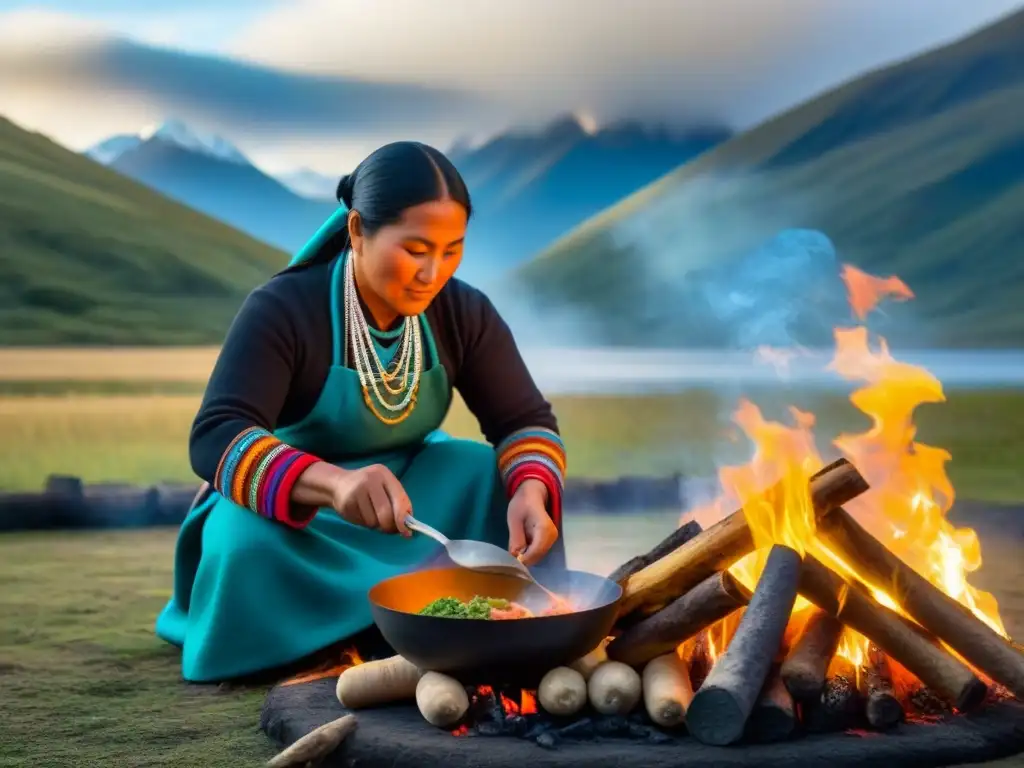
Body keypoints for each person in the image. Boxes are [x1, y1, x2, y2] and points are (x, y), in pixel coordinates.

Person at [155, 141, 567, 683]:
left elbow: (524, 420)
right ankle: (318, 637)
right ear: (356, 231)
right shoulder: (283, 309)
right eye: (416, 249)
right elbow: (215, 435)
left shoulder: (464, 311)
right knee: (243, 545)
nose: (433, 272)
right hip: (299, 504)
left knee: (484, 473)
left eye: (451, 250)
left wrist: (531, 491)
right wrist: (333, 484)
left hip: (410, 506)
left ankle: (477, 621)